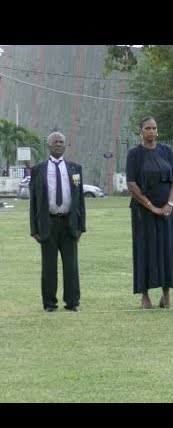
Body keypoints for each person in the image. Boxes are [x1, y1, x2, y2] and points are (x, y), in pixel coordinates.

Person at [126, 116, 173, 309]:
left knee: (167, 249)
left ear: (157, 131)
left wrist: (169, 204)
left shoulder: (166, 151)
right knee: (145, 251)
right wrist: (151, 207)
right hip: (144, 211)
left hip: (167, 210)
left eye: (154, 128)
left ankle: (166, 294)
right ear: (140, 131)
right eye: (147, 128)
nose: (151, 131)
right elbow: (131, 184)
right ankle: (145, 296)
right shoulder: (134, 154)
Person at [29, 131, 86, 312]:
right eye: (55, 141)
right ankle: (49, 304)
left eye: (61, 141)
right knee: (49, 267)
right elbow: (33, 202)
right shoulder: (38, 170)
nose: (58, 144)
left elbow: (80, 201)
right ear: (49, 145)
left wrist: (80, 227)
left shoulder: (75, 169)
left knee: (71, 266)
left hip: (69, 224)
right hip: (48, 223)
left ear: (65, 145)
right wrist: (34, 229)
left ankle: (72, 302)